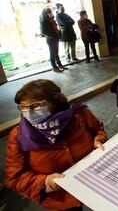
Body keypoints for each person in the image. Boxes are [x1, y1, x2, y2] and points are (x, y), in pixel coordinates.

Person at [5, 79, 107, 210]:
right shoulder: (19, 135)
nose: (28, 112)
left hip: (94, 182)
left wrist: (99, 140)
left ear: (54, 102)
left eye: (35, 106)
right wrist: (45, 183)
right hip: (62, 199)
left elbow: (97, 130)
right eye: (23, 107)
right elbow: (15, 178)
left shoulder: (79, 114)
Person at [39, 8, 65, 72]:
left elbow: (55, 28)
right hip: (50, 39)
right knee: (52, 53)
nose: (50, 13)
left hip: (55, 38)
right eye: (49, 12)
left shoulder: (51, 20)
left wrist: (58, 34)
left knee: (56, 52)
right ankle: (54, 67)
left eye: (50, 12)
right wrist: (53, 36)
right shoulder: (43, 21)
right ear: (45, 14)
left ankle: (59, 64)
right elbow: (44, 31)